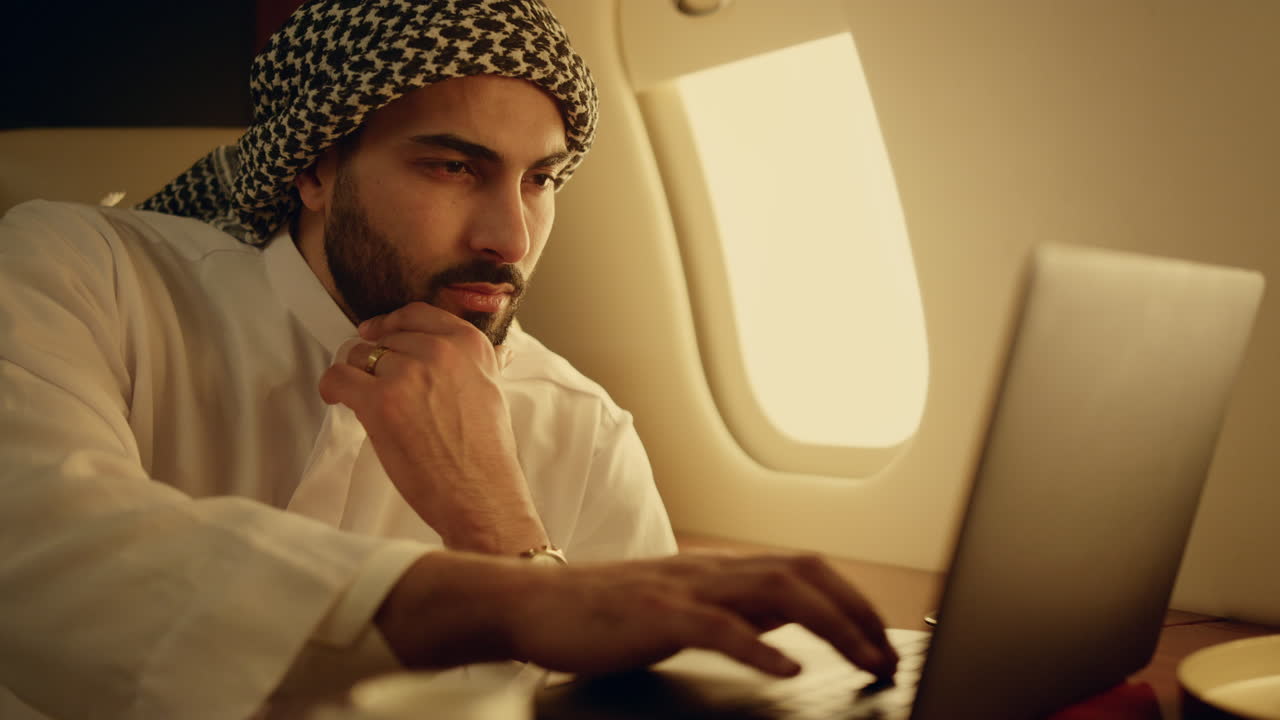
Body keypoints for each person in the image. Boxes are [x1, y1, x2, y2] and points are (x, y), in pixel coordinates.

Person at [0, 1, 896, 717]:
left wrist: (501, 528)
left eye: (540, 180)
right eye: (453, 168)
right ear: (314, 168)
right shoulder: (85, 275)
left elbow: (644, 698)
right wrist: (521, 604)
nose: (510, 235)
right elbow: (42, 546)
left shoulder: (577, 424)